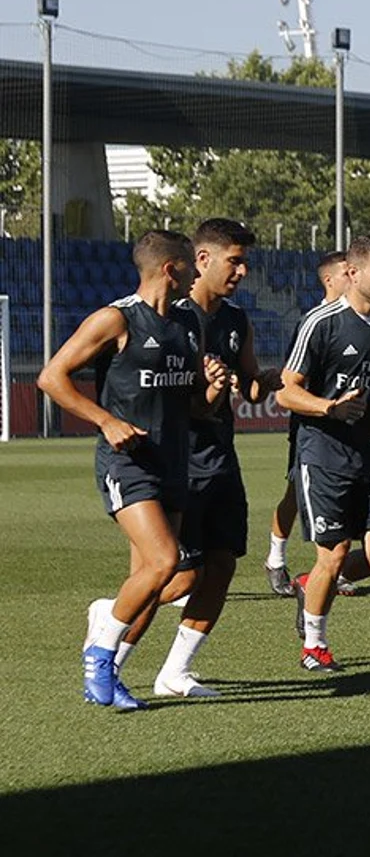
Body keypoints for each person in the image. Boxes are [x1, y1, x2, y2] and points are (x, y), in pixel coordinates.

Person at [107, 220, 279, 699]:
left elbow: (246, 386)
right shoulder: (168, 316)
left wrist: (263, 380)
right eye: (235, 261)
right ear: (201, 260)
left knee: (221, 565)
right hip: (174, 461)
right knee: (175, 574)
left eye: (245, 262)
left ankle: (174, 673)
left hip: (221, 458)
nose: (243, 271)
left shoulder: (236, 319)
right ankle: (109, 657)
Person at [43, 231, 208, 710]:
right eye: (190, 267)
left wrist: (212, 388)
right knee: (164, 561)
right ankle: (98, 652)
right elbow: (52, 377)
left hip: (174, 463)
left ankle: (110, 669)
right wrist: (106, 419)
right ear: (171, 269)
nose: (198, 275)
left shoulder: (188, 323)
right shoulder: (115, 319)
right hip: (127, 463)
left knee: (155, 581)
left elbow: (195, 401)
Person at [275, 235, 370, 672]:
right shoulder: (321, 322)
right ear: (352, 273)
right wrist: (329, 407)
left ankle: (310, 584)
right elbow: (287, 392)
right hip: (324, 455)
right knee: (332, 553)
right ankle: (314, 644)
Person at [264, 251, 350, 597]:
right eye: (348, 272)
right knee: (296, 494)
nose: (354, 278)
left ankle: (335, 567)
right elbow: (293, 381)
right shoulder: (313, 321)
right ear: (329, 279)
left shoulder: (358, 317)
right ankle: (275, 558)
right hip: (313, 424)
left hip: (350, 427)